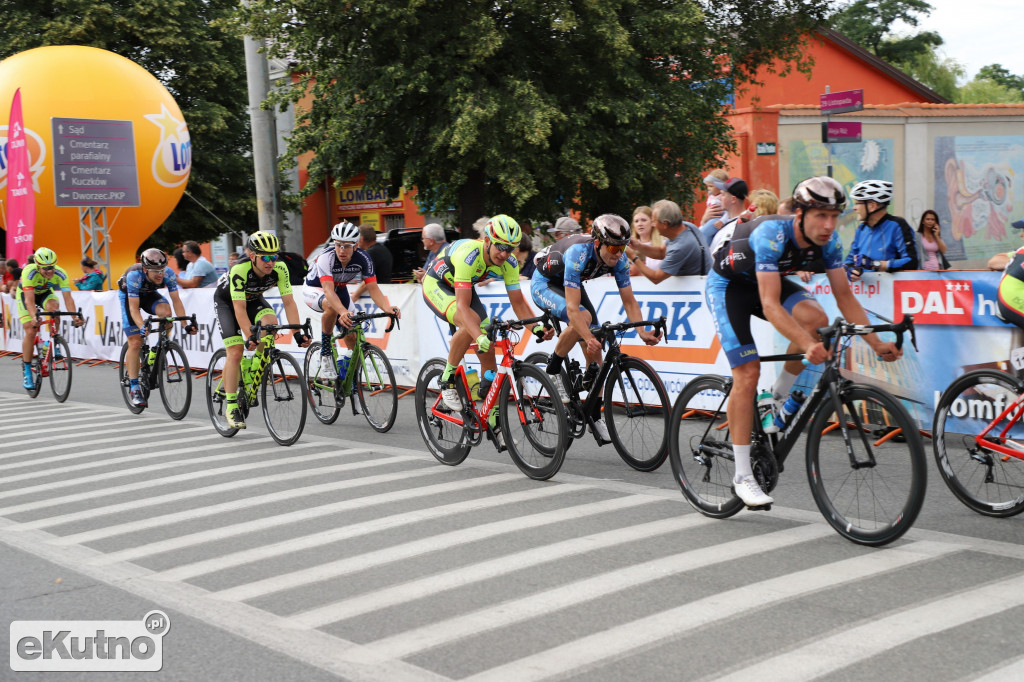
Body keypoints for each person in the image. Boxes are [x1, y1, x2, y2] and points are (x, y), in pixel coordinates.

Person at [705, 176, 902, 508]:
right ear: (800, 214)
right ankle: (742, 477)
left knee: (816, 321)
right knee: (748, 373)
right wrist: (806, 345)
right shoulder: (772, 233)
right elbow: (769, 305)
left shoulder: (830, 242)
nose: (828, 225)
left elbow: (845, 298)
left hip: (767, 283)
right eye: (820, 216)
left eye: (835, 216)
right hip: (729, 288)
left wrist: (877, 343)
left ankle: (777, 398)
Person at [531, 214, 662, 438]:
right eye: (613, 249)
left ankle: (593, 415)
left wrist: (641, 332)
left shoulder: (619, 260)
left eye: (622, 248)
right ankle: (552, 371)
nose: (619, 254)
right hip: (544, 284)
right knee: (584, 320)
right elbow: (573, 310)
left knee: (597, 350)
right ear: (598, 243)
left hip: (570, 284)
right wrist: (588, 337)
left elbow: (629, 300)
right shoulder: (578, 253)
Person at [422, 214, 552, 418]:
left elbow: (518, 302)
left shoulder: (509, 263)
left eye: (509, 248)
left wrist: (536, 327)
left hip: (462, 288)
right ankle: (446, 379)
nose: (503, 253)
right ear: (487, 241)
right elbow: (463, 308)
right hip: (437, 285)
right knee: (470, 324)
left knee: (488, 349)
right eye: (500, 246)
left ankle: (491, 412)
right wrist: (478, 335)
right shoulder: (469, 255)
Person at [213, 231, 312, 429]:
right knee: (236, 351)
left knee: (270, 324)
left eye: (274, 257)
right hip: (228, 303)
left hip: (253, 300)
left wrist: (297, 334)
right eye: (265, 257)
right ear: (252, 256)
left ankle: (254, 368)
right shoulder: (240, 270)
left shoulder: (280, 268)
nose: (270, 262)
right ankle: (232, 406)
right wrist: (249, 336)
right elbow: (239, 309)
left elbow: (289, 303)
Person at [303, 221, 400, 383]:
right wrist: (342, 311)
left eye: (347, 246)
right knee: (332, 307)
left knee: (354, 341)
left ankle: (346, 378)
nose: (342, 250)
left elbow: (373, 288)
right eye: (338, 245)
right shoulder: (326, 257)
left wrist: (387, 307)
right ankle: (326, 353)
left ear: (356, 246)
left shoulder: (363, 257)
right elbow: (327, 290)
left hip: (339, 290)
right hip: (315, 289)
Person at [118, 249, 197, 407]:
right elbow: (134, 309)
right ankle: (134, 387)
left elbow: (176, 301)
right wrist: (142, 327)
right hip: (129, 297)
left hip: (148, 295)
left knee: (167, 314)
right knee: (135, 342)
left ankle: (158, 348)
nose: (160, 274)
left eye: (162, 270)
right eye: (155, 271)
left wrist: (185, 325)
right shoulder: (134, 276)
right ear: (146, 269)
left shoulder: (168, 273)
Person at [15, 247, 85, 390]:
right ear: (38, 265)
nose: (50, 271)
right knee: (30, 330)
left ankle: (53, 341)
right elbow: (29, 300)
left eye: (52, 267)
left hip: (45, 293)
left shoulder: (60, 273)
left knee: (55, 310)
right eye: (46, 268)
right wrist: (34, 316)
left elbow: (68, 299)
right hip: (26, 295)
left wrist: (74, 317)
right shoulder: (29, 272)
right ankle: (27, 370)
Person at [844, 180, 919, 280]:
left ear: (872, 206)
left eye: (857, 203)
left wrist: (875, 264)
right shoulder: (861, 229)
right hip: (864, 293)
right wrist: (850, 270)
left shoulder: (897, 225)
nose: (854, 208)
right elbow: (849, 260)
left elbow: (911, 261)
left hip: (891, 292)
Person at [625, 199, 711, 281]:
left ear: (665, 224)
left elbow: (656, 278)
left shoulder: (681, 247)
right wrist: (639, 246)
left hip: (697, 290)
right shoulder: (686, 226)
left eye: (655, 221)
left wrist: (633, 257)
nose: (653, 225)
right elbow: (661, 252)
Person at [702, 177, 749, 243]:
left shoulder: (740, 226)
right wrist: (704, 221)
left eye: (723, 195)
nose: (720, 198)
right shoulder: (724, 221)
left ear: (733, 199)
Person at [629, 205, 663, 275]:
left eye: (643, 220)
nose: (640, 224)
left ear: (652, 222)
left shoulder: (663, 244)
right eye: (636, 221)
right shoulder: (629, 246)